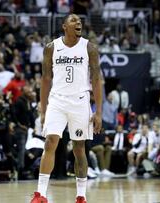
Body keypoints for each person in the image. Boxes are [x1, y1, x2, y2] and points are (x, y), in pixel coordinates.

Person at [30, 14, 103, 203]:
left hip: (80, 101)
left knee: (79, 148)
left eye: (79, 21)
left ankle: (81, 196)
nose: (78, 23)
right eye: (74, 21)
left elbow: (96, 80)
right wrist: (43, 109)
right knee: (50, 142)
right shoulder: (51, 48)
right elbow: (45, 79)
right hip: (57, 100)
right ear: (64, 26)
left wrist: (99, 112)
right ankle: (41, 194)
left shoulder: (89, 48)